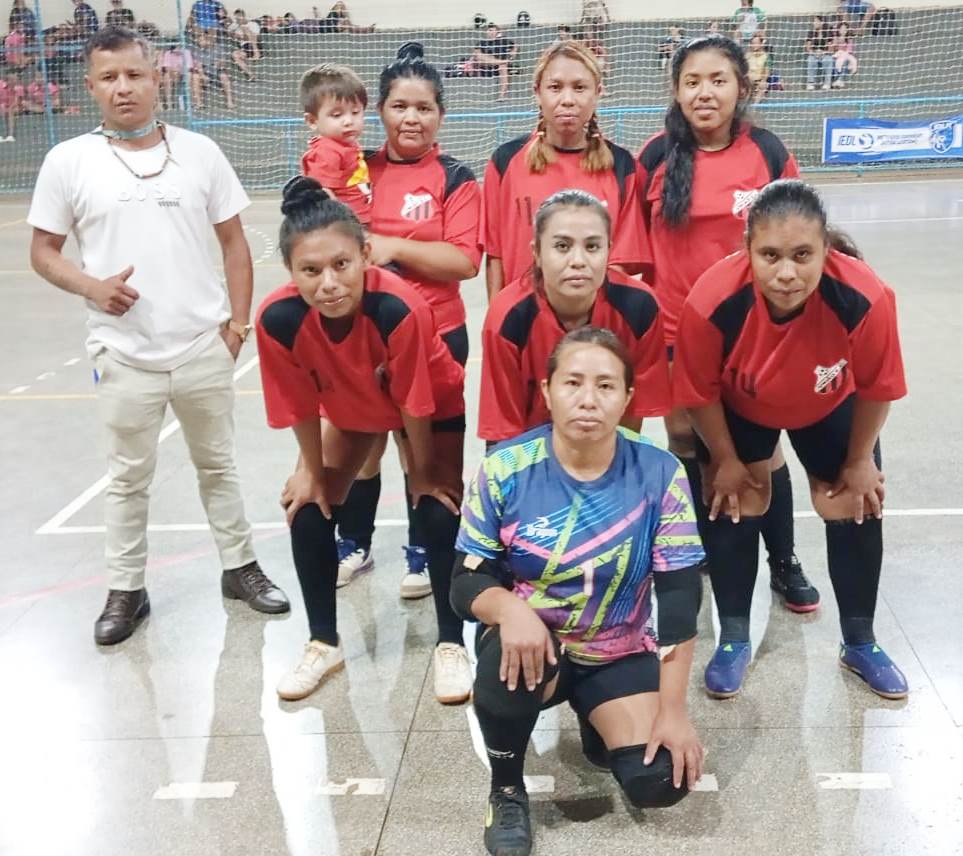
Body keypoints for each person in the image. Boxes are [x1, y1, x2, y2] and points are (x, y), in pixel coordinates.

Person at [27, 26, 289, 646]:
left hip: (202, 345)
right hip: (123, 354)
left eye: (135, 74)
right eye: (110, 77)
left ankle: (240, 568)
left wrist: (236, 325)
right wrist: (93, 287)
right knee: (127, 478)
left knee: (218, 466)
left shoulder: (200, 153)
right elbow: (43, 251)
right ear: (90, 87)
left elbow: (235, 245)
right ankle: (126, 588)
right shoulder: (69, 161)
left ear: (157, 79)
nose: (124, 87)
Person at [453, 326, 705, 856]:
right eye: (572, 383)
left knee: (662, 780)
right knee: (505, 667)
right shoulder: (504, 469)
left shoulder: (661, 472)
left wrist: (676, 709)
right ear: (546, 391)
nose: (588, 399)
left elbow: (680, 600)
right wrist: (509, 610)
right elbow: (464, 581)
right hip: (534, 646)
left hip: (617, 647)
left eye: (607, 386)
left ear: (629, 398)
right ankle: (505, 791)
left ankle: (598, 720)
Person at [673, 179, 909, 701]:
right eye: (770, 255)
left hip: (831, 403)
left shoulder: (865, 296)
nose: (786, 273)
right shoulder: (712, 301)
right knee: (732, 501)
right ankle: (734, 637)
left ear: (827, 249)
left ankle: (860, 641)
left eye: (803, 255)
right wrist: (727, 459)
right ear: (747, 250)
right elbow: (698, 391)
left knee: (856, 502)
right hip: (743, 408)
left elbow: (877, 386)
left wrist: (859, 461)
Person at [256, 177, 470, 704]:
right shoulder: (278, 319)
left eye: (341, 265)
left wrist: (421, 472)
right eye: (310, 271)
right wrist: (311, 472)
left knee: (436, 507)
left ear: (366, 256)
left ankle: (451, 642)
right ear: (291, 273)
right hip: (353, 407)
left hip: (431, 403)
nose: (328, 283)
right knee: (307, 507)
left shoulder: (400, 309)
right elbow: (299, 408)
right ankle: (322, 642)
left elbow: (415, 404)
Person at [636, 35, 812, 653]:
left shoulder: (766, 151)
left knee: (760, 453)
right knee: (688, 440)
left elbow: (799, 238)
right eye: (691, 81)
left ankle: (784, 560)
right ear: (677, 91)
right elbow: (636, 248)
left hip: (753, 335)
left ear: (741, 86)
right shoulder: (655, 156)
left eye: (717, 79)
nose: (703, 92)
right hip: (676, 334)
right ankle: (711, 548)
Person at [332, 53, 480, 654]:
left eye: (424, 107)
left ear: (440, 116)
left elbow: (463, 260)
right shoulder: (358, 170)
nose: (411, 117)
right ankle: (355, 543)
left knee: (420, 451)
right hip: (365, 334)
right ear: (381, 112)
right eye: (400, 105)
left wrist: (392, 245)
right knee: (363, 444)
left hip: (438, 335)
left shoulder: (457, 176)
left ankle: (423, 549)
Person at [480, 190, 670, 444]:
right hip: (531, 449)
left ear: (609, 250)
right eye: (562, 246)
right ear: (536, 253)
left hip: (606, 444)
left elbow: (631, 415)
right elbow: (504, 431)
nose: (578, 261)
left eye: (592, 246)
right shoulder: (508, 318)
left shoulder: (640, 307)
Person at [483, 41, 649, 299]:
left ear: (598, 92)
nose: (567, 100)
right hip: (525, 322)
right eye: (555, 87)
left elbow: (620, 262)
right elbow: (496, 257)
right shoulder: (505, 162)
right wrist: (498, 321)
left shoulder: (622, 165)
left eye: (580, 87)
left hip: (593, 329)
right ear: (538, 92)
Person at [299, 63, 372, 225]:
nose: (348, 121)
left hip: (363, 216)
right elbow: (323, 193)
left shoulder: (345, 145)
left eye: (355, 112)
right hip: (350, 224)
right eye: (337, 115)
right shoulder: (326, 152)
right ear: (312, 120)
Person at [194, 28, 238, 108]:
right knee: (196, 77)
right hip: (206, 73)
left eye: (201, 41)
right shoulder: (198, 51)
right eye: (198, 41)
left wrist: (219, 64)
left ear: (207, 40)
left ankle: (230, 102)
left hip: (217, 72)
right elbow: (199, 65)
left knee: (224, 76)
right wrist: (202, 75)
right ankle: (199, 103)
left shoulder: (218, 48)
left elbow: (223, 63)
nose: (199, 43)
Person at [472, 23, 516, 101]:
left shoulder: (503, 40)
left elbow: (514, 46)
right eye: (489, 30)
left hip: (498, 66)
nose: (491, 32)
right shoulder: (482, 42)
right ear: (486, 32)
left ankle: (502, 96)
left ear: (497, 32)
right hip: (485, 66)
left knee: (503, 67)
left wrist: (512, 56)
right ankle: (501, 61)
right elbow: (476, 55)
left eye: (493, 30)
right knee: (481, 57)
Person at [158, 44, 200, 110]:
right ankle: (169, 105)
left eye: (179, 47)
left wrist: (180, 70)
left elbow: (189, 68)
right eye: (176, 47)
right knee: (167, 76)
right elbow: (167, 68)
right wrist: (175, 71)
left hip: (184, 73)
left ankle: (191, 103)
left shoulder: (187, 52)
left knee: (189, 75)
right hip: (173, 75)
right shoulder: (168, 53)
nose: (178, 49)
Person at [805, 15, 834, 91]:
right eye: (814, 21)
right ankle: (810, 83)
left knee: (829, 60)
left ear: (822, 22)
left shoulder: (828, 33)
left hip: (825, 54)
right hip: (814, 54)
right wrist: (814, 52)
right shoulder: (811, 33)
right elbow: (808, 47)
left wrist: (823, 52)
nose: (814, 23)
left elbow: (831, 48)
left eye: (816, 21)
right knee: (810, 60)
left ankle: (827, 83)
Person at [831, 21, 858, 88]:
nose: (843, 31)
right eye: (841, 29)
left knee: (846, 60)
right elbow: (834, 48)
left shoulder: (849, 39)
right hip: (837, 55)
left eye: (845, 29)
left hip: (845, 55)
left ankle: (841, 79)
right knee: (836, 61)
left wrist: (844, 53)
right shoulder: (836, 38)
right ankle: (836, 79)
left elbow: (849, 50)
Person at [746, 32, 770, 101]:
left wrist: (763, 80)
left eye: (756, 43)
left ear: (761, 44)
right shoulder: (747, 55)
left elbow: (767, 72)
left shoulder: (766, 56)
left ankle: (755, 107)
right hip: (749, 80)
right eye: (753, 43)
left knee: (762, 86)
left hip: (759, 81)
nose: (754, 45)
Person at [0, 71, 22, 142]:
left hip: (14, 107)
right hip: (2, 107)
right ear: (7, 80)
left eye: (15, 79)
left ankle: (10, 135)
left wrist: (9, 107)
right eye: (11, 79)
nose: (14, 81)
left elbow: (17, 102)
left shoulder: (19, 88)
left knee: (10, 111)